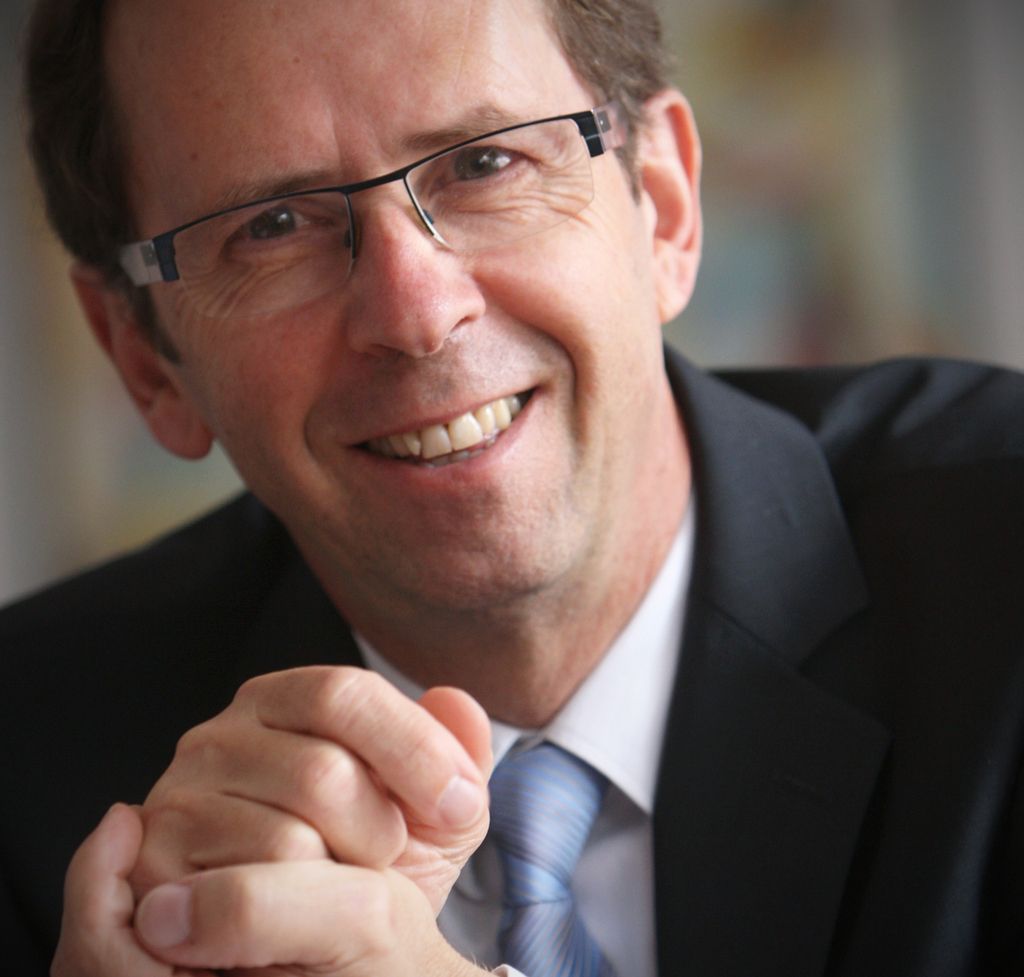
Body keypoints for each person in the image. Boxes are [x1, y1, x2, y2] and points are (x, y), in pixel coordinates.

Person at [2, 0, 1023, 974]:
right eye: (270, 225)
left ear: (663, 204)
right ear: (144, 357)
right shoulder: (30, 777)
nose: (415, 312)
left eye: (485, 162)